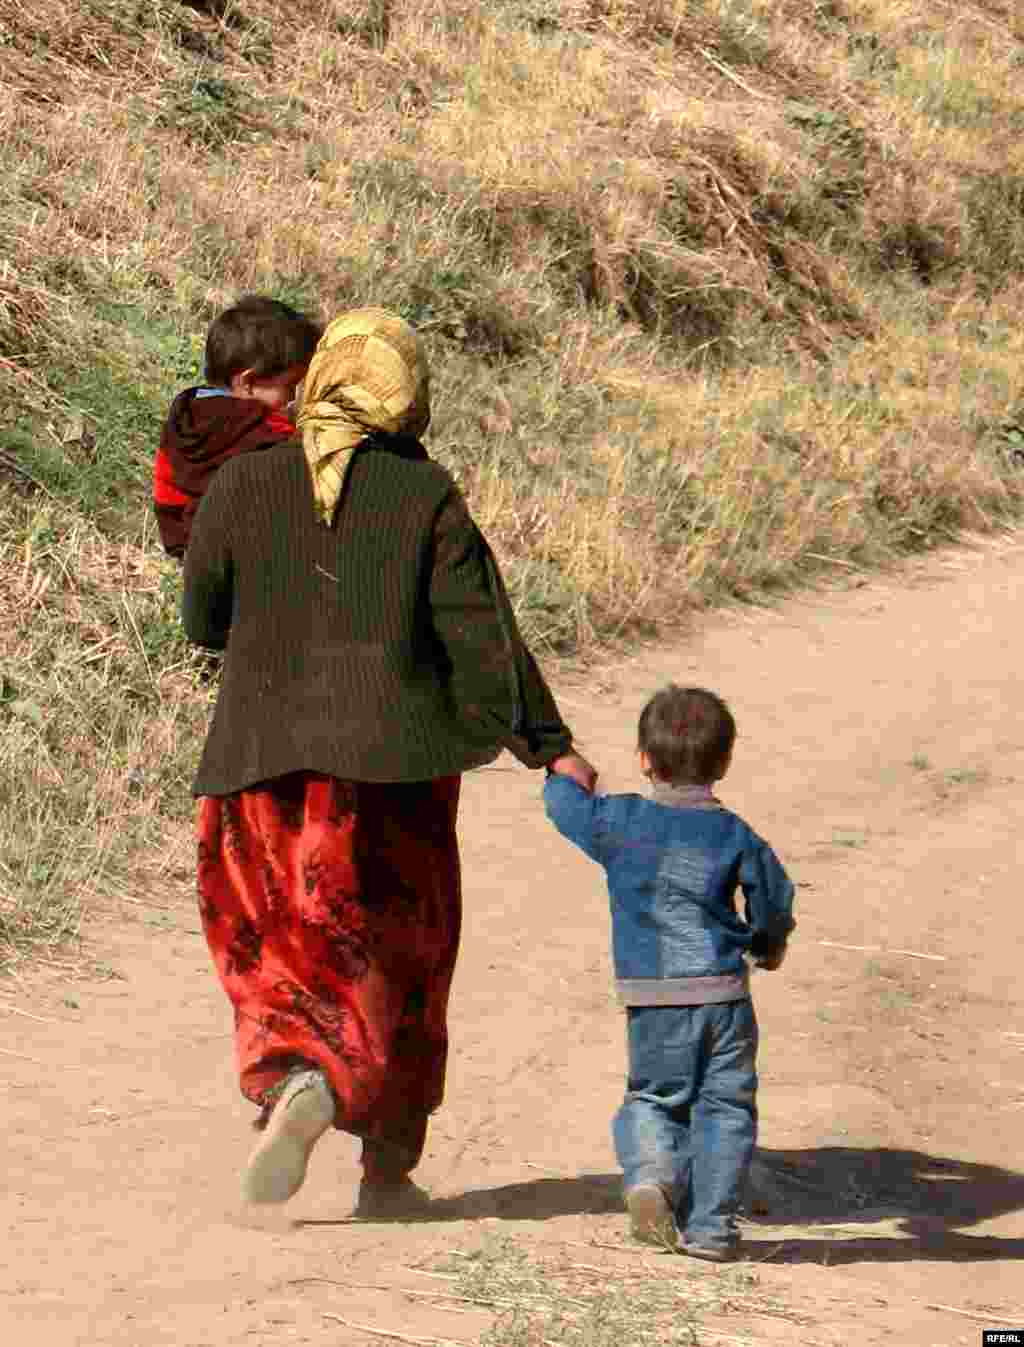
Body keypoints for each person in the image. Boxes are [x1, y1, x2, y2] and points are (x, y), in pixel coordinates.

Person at [182, 307, 596, 1213]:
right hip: (394, 778)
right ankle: (386, 1164)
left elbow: (201, 620)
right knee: (402, 953)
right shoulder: (425, 493)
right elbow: (483, 636)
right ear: (405, 393)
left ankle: (294, 1072)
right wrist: (548, 746)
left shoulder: (240, 483)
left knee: (274, 937)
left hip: (257, 765)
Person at [544, 684, 794, 1261]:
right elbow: (773, 901)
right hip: (725, 997)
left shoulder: (619, 821)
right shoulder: (736, 835)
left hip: (653, 997)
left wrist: (566, 771)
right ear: (724, 762)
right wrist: (767, 945)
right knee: (726, 1107)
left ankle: (652, 1179)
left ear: (643, 760)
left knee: (655, 1097)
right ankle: (711, 1230)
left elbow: (562, 807)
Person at [154, 295, 322, 559]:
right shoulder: (265, 431)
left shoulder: (184, 415)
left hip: (190, 548)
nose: (291, 398)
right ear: (248, 382)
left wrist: (181, 544)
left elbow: (165, 487)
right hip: (248, 558)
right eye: (289, 385)